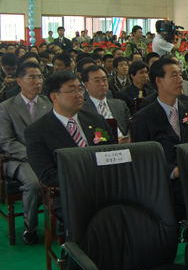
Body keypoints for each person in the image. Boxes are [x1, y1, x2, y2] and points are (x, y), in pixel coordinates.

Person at [25, 71, 115, 218]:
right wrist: (88, 179)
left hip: (106, 187)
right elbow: (48, 175)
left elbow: (112, 152)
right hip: (71, 194)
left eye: (80, 89)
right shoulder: (37, 131)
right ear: (54, 96)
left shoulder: (96, 120)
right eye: (72, 90)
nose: (79, 94)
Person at [133, 57, 188, 212]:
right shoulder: (144, 117)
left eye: (180, 74)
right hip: (165, 186)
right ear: (159, 81)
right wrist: (174, 171)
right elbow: (143, 159)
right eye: (174, 75)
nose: (180, 80)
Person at [0, 62, 50, 245]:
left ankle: (60, 226)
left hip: (46, 156)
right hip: (18, 159)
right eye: (32, 77)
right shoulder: (7, 106)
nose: (38, 81)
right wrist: (32, 154)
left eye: (40, 77)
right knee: (34, 184)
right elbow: (6, 141)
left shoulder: (48, 103)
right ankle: (31, 229)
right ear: (19, 81)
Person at [81, 65, 130, 138]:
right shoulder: (82, 110)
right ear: (86, 85)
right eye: (97, 81)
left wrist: (128, 138)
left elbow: (131, 127)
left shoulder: (120, 105)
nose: (102, 84)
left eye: (104, 80)